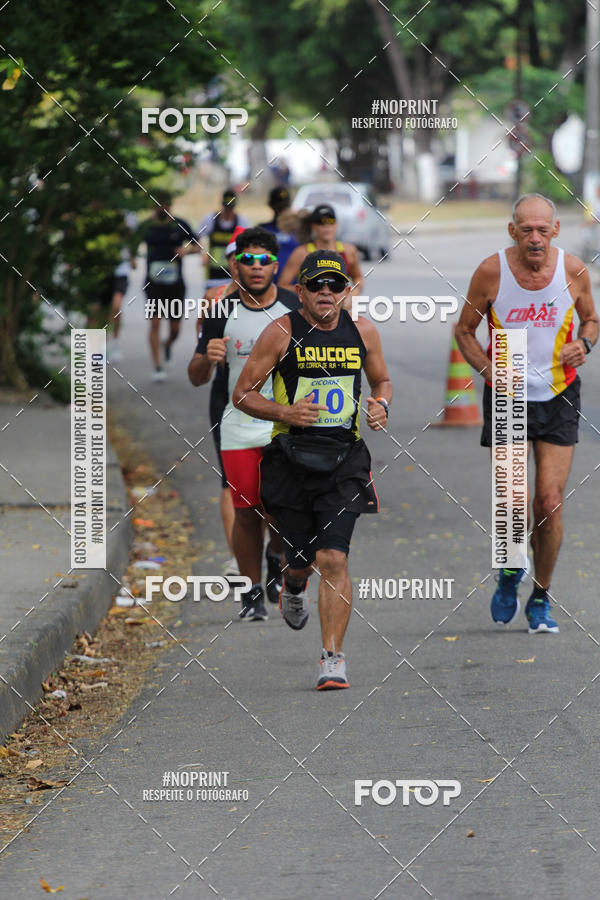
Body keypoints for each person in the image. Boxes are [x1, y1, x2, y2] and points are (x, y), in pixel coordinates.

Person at [232, 250, 392, 690]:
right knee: (300, 561)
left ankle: (332, 659)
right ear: (299, 290)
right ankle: (293, 585)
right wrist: (288, 411)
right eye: (316, 285)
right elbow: (242, 394)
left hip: (344, 460)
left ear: (346, 290)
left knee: (333, 557)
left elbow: (382, 381)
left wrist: (381, 405)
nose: (326, 292)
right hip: (291, 461)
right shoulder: (280, 333)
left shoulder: (363, 332)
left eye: (335, 285)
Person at [456, 193, 599, 634]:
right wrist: (487, 370)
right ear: (512, 231)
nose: (534, 238)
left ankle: (540, 596)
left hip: (558, 393)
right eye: (526, 229)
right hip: (509, 389)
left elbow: (592, 320)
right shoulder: (491, 271)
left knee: (549, 503)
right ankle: (510, 571)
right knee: (514, 504)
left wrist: (586, 344)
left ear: (555, 231)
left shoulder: (573, 269)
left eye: (543, 229)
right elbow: (464, 330)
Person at [188, 227, 300, 620]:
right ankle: (251, 592)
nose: (255, 267)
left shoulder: (293, 305)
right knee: (247, 510)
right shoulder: (220, 310)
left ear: (275, 265)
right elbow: (196, 376)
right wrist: (207, 357)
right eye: (247, 260)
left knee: (283, 512)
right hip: (236, 423)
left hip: (285, 424)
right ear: (236, 264)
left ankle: (275, 555)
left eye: (264, 260)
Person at [195, 225, 247, 576]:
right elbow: (202, 349)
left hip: (274, 399)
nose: (244, 263)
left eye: (256, 257)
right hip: (226, 396)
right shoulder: (214, 297)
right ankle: (237, 557)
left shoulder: (282, 299)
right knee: (231, 480)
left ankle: (279, 555)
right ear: (229, 261)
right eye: (237, 256)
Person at [137, 190, 199, 381]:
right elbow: (131, 244)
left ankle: (168, 344)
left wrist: (186, 251)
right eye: (158, 204)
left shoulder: (180, 224)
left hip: (175, 283)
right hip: (153, 282)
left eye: (165, 204)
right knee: (155, 322)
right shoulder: (146, 226)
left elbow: (198, 246)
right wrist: (131, 258)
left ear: (170, 205)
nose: (162, 208)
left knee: (175, 328)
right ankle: (157, 366)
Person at [278, 204, 363, 302]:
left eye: (330, 221)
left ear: (336, 225)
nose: (326, 226)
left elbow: (358, 277)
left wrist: (354, 292)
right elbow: (282, 286)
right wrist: (310, 290)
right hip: (310, 313)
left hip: (338, 312)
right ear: (313, 226)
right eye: (320, 222)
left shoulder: (349, 251)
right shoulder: (301, 253)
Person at [197, 189, 249, 290]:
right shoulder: (209, 219)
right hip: (212, 276)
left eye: (231, 208)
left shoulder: (242, 221)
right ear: (222, 205)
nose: (228, 212)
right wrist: (203, 253)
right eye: (226, 208)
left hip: (233, 277)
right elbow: (200, 238)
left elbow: (247, 245)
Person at [108, 211, 138, 363]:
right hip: (101, 269)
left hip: (121, 269)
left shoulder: (129, 215)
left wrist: (133, 257)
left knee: (116, 306)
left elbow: (132, 239)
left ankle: (115, 344)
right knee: (95, 310)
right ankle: (97, 348)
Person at [258, 186, 299, 282]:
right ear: (270, 206)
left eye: (285, 207)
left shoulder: (299, 230)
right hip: (267, 285)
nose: (282, 212)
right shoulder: (262, 230)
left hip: (293, 288)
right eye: (279, 208)